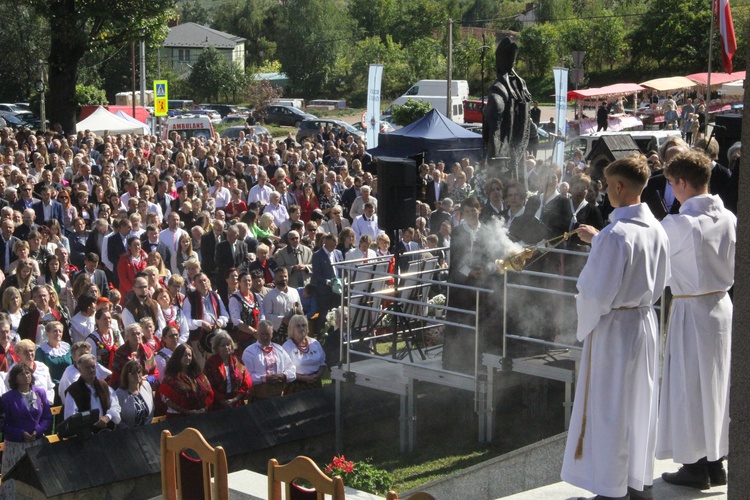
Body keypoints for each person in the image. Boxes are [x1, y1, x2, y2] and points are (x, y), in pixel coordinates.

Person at [560, 155, 669, 499]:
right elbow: (663, 277)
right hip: (644, 323)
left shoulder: (615, 235)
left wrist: (583, 316)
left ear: (620, 187)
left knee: (609, 409)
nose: (605, 192)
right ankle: (637, 483)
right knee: (639, 406)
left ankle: (611, 488)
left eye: (607, 186)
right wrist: (600, 241)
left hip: (614, 329)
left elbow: (593, 293)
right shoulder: (656, 228)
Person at [657, 151, 736, 489]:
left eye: (672, 184)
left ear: (683, 183)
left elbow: (648, 258)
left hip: (691, 309)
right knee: (717, 387)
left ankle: (694, 465)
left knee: (689, 387)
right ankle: (715, 461)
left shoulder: (679, 224)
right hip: (721, 306)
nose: (672, 191)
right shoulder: (729, 217)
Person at [0, 363, 52, 477]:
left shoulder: (40, 393)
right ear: (15, 378)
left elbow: (47, 416)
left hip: (37, 443)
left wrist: (37, 431)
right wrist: (21, 434)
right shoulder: (6, 398)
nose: (26, 376)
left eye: (28, 373)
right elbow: (3, 424)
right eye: (21, 374)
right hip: (16, 446)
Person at [63, 353, 121, 432]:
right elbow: (70, 417)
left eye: (93, 367)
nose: (91, 370)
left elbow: (115, 406)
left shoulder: (104, 385)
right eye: (87, 368)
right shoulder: (73, 391)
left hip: (107, 433)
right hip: (85, 437)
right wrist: (90, 422)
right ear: (80, 370)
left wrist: (107, 417)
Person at [183, 273, 229, 369]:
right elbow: (186, 321)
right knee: (202, 367)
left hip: (215, 335)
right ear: (194, 284)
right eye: (200, 281)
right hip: (199, 338)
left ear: (209, 282)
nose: (203, 283)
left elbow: (225, 315)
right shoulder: (189, 298)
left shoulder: (215, 295)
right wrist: (201, 323)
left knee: (218, 365)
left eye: (205, 280)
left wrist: (220, 322)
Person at [157, 343, 214, 419]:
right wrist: (188, 412)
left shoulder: (199, 376)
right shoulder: (171, 378)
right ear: (178, 357)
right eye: (184, 355)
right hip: (178, 418)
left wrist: (204, 409)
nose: (188, 357)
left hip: (200, 415)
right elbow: (166, 399)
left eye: (190, 355)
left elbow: (208, 392)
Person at [241, 320, 295, 400]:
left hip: (278, 396)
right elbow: (246, 377)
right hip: (258, 398)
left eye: (267, 334)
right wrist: (264, 378)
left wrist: (283, 376)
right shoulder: (249, 352)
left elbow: (292, 369)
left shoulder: (279, 349)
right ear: (257, 334)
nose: (265, 337)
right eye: (262, 334)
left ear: (272, 334)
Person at [203, 330, 252, 409]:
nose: (226, 347)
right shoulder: (211, 363)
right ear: (217, 347)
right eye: (223, 345)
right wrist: (222, 400)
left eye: (228, 344)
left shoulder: (238, 361)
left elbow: (247, 381)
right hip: (217, 405)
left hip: (237, 403)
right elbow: (207, 385)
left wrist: (235, 399)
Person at [282, 315, 326, 393]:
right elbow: (284, 371)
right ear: (292, 329)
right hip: (296, 386)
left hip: (315, 383)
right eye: (298, 326)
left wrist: (317, 375)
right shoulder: (287, 346)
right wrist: (303, 378)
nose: (302, 328)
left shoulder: (315, 343)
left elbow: (323, 364)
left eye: (304, 325)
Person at [110, 323, 158, 389]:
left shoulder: (148, 351)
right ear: (127, 337)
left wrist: (146, 379)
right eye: (133, 334)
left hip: (145, 387)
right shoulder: (120, 353)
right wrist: (134, 379)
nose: (136, 336)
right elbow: (116, 377)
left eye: (138, 334)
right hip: (126, 389)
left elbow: (155, 374)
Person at [228, 272, 263, 356]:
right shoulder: (234, 299)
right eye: (244, 281)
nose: (247, 282)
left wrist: (260, 330)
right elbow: (236, 321)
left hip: (259, 334)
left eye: (249, 280)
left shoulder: (257, 296)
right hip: (244, 337)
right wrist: (254, 332)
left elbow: (262, 314)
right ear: (239, 283)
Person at [34, 321, 72, 396]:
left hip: (70, 386)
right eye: (55, 331)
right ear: (47, 334)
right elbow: (40, 372)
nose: (58, 333)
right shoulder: (41, 351)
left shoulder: (67, 348)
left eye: (60, 331)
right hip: (53, 389)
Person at [114, 360, 154, 429]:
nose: (137, 376)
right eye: (133, 373)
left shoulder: (146, 386)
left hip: (147, 430)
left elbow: (152, 409)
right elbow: (117, 419)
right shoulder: (119, 394)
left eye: (139, 372)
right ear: (126, 376)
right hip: (127, 433)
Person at [14, 339, 56, 404]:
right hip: (22, 407)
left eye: (31, 351)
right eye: (25, 352)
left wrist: (46, 402)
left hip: (43, 406)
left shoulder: (43, 367)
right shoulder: (14, 370)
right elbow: (10, 391)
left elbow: (49, 388)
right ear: (18, 354)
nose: (29, 354)